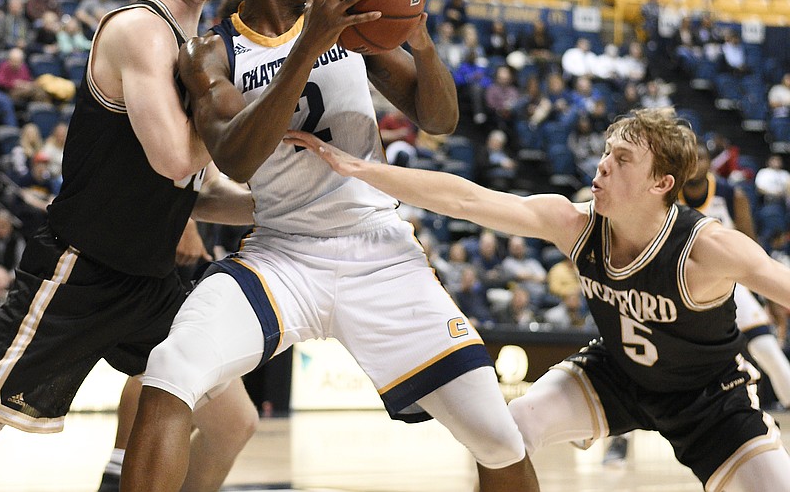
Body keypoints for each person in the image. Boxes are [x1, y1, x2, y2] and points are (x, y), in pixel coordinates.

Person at [121, 0, 539, 492]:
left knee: (498, 438)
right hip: (280, 257)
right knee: (170, 369)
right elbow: (236, 158)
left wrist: (419, 42)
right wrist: (310, 44)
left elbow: (439, 117)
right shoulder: (211, 51)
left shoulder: (355, 32)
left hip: (380, 251)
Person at [286, 106, 790, 491]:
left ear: (662, 183)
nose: (603, 164)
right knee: (506, 433)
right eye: (606, 151)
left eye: (623, 158)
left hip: (710, 399)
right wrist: (361, 170)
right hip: (616, 375)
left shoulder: (706, 250)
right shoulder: (574, 223)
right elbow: (466, 198)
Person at [0, 0, 260, 492]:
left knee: (233, 423)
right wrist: (240, 120)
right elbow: (172, 158)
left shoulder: (197, 49)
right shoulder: (140, 29)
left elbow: (192, 186)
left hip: (151, 280)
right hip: (79, 269)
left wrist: (282, 203)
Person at [603, 138, 790, 464]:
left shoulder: (732, 195)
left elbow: (751, 248)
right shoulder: (665, 196)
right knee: (643, 363)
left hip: (729, 282)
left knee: (770, 353)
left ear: (708, 162)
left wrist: (769, 299)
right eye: (691, 158)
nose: (697, 162)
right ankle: (619, 441)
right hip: (677, 285)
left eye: (702, 156)